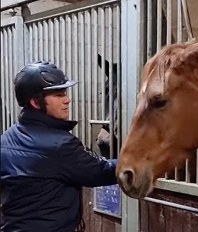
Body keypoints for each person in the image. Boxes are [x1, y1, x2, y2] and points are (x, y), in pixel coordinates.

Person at [1, 61, 117, 232]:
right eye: (58, 95)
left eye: (65, 92)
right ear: (35, 102)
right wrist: (141, 159)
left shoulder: (6, 139)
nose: (67, 100)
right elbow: (100, 171)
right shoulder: (59, 145)